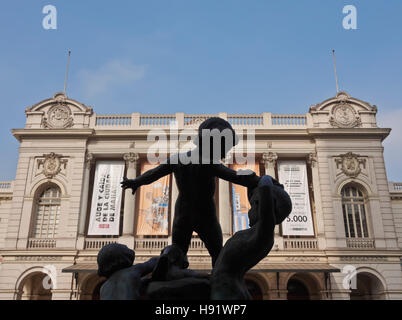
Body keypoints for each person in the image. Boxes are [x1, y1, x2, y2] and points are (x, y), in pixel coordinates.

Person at [121, 118, 260, 267]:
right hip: (205, 214)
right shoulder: (209, 162)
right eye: (224, 147)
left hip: (183, 213)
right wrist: (260, 181)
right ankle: (218, 283)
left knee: (177, 252)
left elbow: (153, 174)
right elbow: (235, 177)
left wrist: (135, 182)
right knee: (218, 254)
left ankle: (168, 268)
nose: (225, 152)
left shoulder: (178, 159)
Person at [210, 176, 292, 300]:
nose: (248, 210)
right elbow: (259, 191)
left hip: (228, 293)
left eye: (252, 204)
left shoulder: (264, 231)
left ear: (265, 205)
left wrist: (263, 179)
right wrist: (250, 182)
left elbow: (265, 186)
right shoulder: (253, 233)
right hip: (227, 288)